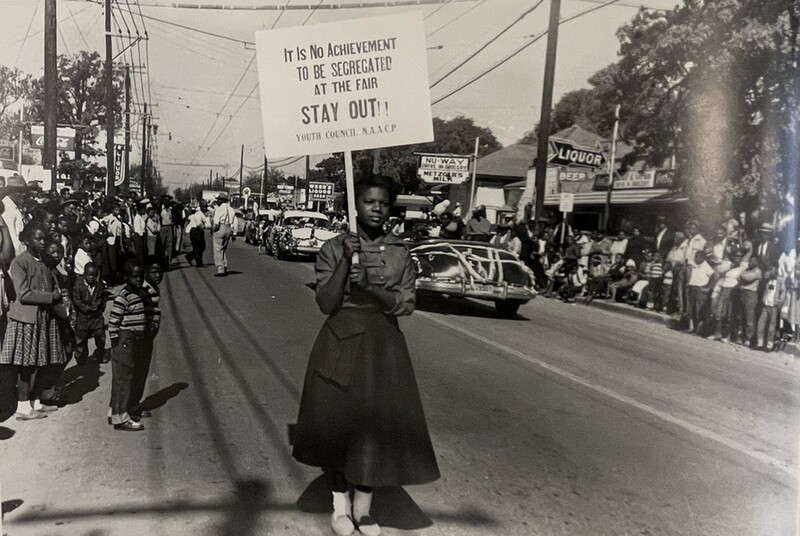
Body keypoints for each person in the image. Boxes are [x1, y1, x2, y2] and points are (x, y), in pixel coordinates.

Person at [292, 175, 439, 536]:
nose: (377, 208)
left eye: (383, 203)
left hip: (383, 346)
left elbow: (405, 305)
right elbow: (326, 303)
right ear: (355, 206)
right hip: (340, 341)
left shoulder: (400, 252)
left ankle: (364, 509)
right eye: (369, 202)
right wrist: (344, 261)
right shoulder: (333, 247)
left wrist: (371, 288)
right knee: (340, 427)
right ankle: (339, 506)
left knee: (378, 426)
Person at [1, 221, 68, 420]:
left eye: (42, 239)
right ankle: (22, 407)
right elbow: (23, 294)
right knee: (26, 364)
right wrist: (51, 297)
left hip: (43, 318)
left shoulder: (43, 262)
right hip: (26, 319)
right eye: (37, 239)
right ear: (27, 240)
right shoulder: (19, 262)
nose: (41, 242)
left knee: (41, 361)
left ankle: (35, 402)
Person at [108, 260, 147, 431]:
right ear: (126, 277)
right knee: (123, 379)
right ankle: (121, 418)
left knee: (123, 378)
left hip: (132, 340)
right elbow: (113, 322)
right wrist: (118, 343)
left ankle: (115, 411)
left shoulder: (138, 294)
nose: (138, 279)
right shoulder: (123, 297)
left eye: (140, 276)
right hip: (124, 341)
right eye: (134, 276)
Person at [129, 258, 162, 421]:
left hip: (147, 337)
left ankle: (133, 404)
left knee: (141, 373)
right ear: (145, 273)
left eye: (160, 272)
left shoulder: (152, 288)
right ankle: (130, 407)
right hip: (141, 337)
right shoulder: (144, 290)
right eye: (154, 272)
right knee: (137, 373)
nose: (158, 275)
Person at [72, 262, 107, 364]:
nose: (91, 277)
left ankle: (100, 354)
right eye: (89, 275)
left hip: (96, 317)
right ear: (84, 274)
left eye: (94, 275)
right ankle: (81, 358)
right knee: (81, 339)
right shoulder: (78, 285)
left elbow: (102, 298)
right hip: (83, 317)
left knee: (100, 337)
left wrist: (99, 307)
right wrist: (86, 308)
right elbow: (76, 300)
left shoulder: (99, 286)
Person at [755, 266, 786, 351]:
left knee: (771, 327)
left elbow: (783, 291)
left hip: (774, 306)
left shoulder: (780, 280)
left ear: (776, 270)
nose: (770, 272)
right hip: (766, 304)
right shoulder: (768, 280)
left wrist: (780, 301)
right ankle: (760, 343)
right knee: (761, 324)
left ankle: (769, 345)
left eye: (772, 270)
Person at [212, 194, 236, 276]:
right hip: (228, 228)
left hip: (221, 227)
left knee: (218, 248)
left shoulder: (219, 209)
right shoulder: (231, 210)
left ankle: (220, 268)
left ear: (222, 201)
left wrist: (213, 230)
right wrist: (233, 233)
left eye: (219, 200)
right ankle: (225, 266)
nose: (217, 201)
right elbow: (233, 222)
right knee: (224, 248)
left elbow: (216, 222)